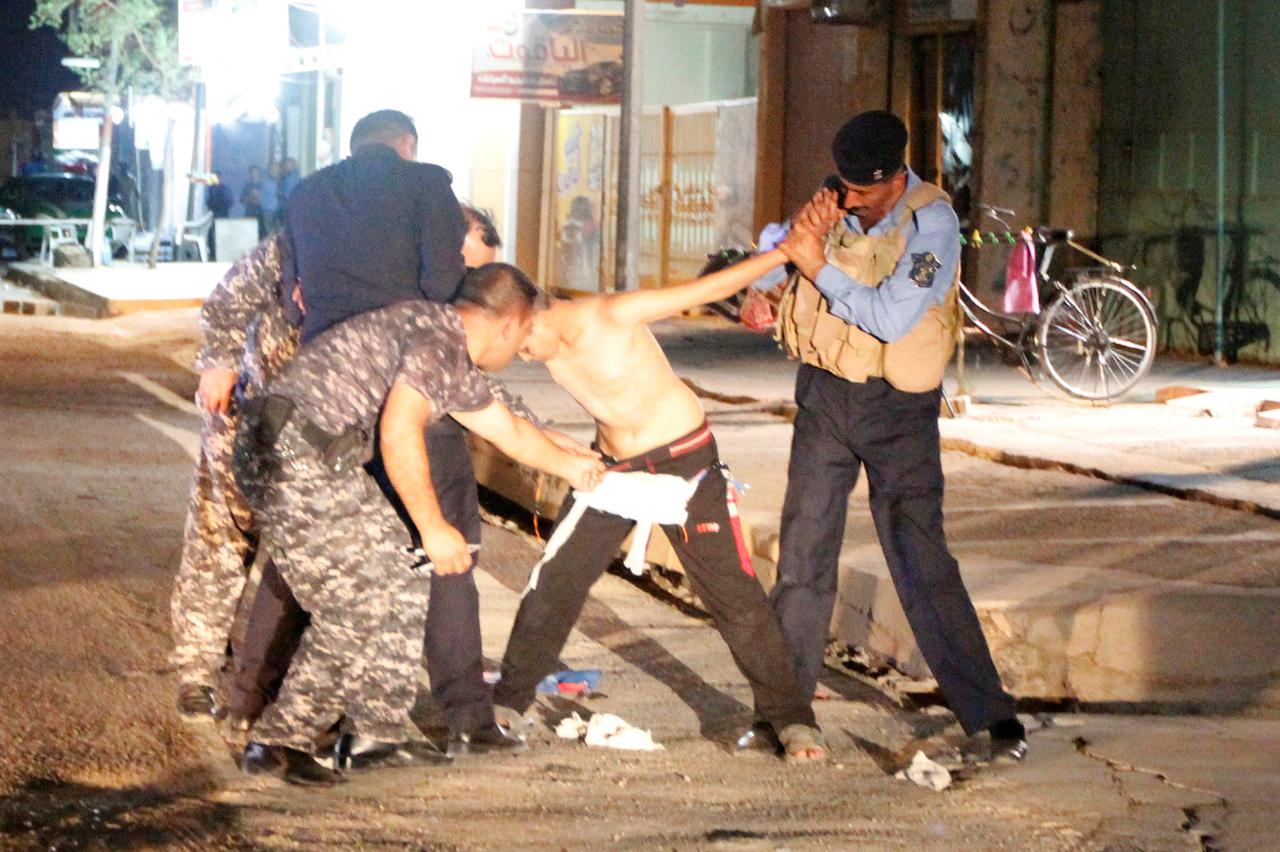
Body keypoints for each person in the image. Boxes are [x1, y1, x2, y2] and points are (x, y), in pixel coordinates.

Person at [235, 264, 605, 785]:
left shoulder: (440, 336)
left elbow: (511, 432)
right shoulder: (438, 344)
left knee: (403, 572)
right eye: (523, 339)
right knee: (356, 602)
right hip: (290, 458)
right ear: (506, 325)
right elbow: (399, 430)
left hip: (316, 457)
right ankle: (278, 739)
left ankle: (373, 735)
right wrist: (433, 526)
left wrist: (577, 465)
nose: (522, 353)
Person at [756, 110, 1026, 762]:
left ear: (894, 177)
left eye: (861, 192)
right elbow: (773, 246)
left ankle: (990, 718)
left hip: (897, 410)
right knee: (802, 558)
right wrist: (770, 274)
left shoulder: (932, 225)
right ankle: (786, 715)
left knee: (921, 561)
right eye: (842, 187)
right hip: (824, 397)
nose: (848, 200)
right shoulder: (835, 201)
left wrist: (815, 263)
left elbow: (888, 315)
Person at [491, 248, 827, 762]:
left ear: (526, 317)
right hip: (614, 470)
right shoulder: (541, 341)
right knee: (554, 582)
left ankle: (794, 721)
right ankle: (508, 704)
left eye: (522, 343)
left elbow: (707, 290)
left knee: (736, 600)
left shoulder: (609, 315)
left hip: (685, 465)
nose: (526, 357)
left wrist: (782, 253)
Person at [275, 109, 519, 755]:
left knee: (324, 565)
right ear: (407, 146)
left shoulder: (305, 193)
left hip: (326, 395)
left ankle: (281, 703)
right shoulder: (425, 184)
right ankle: (467, 717)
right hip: (408, 384)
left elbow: (291, 293)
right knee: (446, 547)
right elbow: (443, 283)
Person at [169, 234, 298, 718]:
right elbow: (227, 302)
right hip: (246, 406)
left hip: (317, 425)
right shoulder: (298, 238)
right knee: (220, 538)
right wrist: (219, 364)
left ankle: (274, 675)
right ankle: (198, 670)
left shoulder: (397, 252)